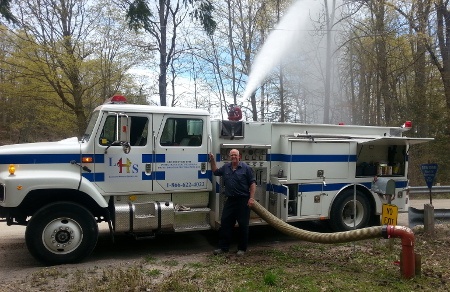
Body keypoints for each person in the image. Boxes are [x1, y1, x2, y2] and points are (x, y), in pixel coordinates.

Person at [209, 149, 256, 256]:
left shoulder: (246, 168)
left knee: (243, 225)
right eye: (232, 155)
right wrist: (212, 160)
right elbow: (215, 171)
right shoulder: (226, 167)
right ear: (229, 157)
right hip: (230, 200)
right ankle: (223, 248)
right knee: (225, 223)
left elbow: (252, 184)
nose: (233, 156)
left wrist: (251, 198)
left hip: (243, 201)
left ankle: (242, 249)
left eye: (235, 155)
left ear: (239, 157)